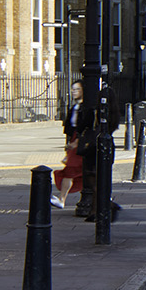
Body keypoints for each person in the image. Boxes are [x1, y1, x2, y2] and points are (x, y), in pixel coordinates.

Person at [71, 82, 123, 223]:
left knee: (92, 179)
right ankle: (97, 210)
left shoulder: (93, 111)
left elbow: (81, 127)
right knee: (103, 179)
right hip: (107, 147)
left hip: (93, 148)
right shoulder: (115, 113)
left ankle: (106, 206)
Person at [53, 81, 88, 209]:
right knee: (75, 172)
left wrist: (75, 143)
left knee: (73, 171)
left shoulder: (86, 107)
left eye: (77, 89)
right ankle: (62, 199)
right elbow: (70, 127)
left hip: (81, 143)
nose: (74, 92)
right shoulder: (75, 107)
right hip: (75, 141)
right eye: (73, 89)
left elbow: (86, 128)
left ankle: (62, 199)